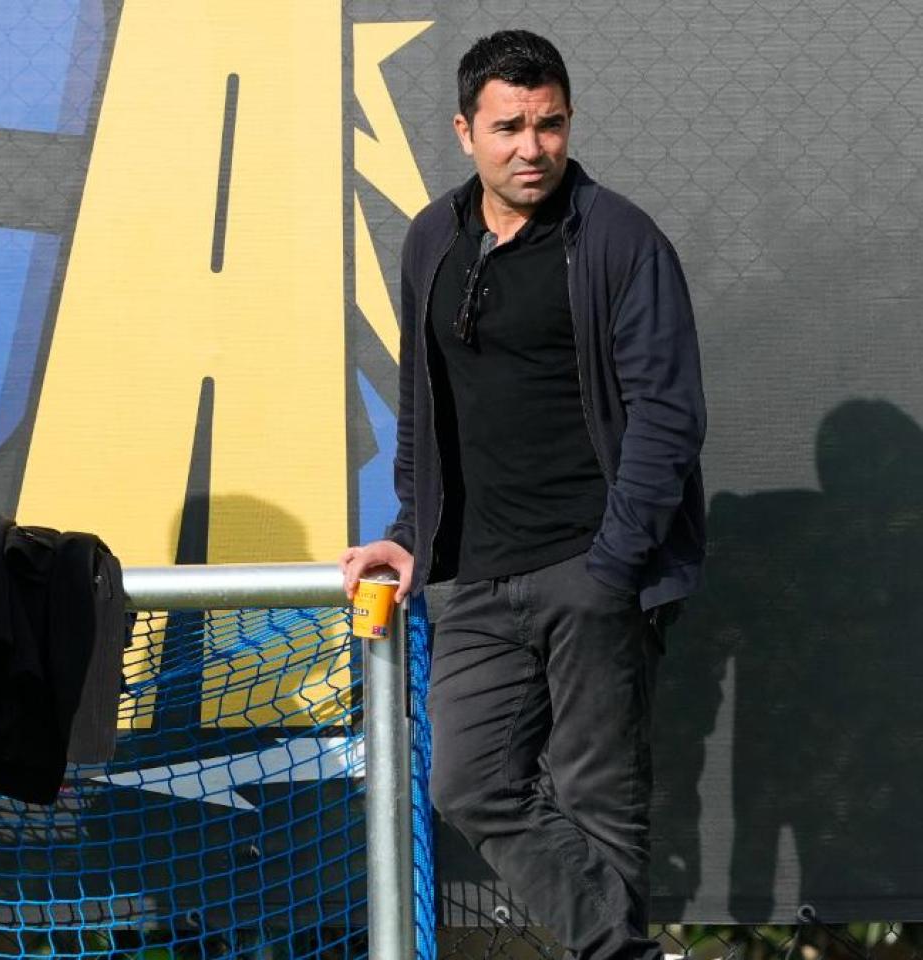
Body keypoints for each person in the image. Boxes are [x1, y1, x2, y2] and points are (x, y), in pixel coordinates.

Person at [340, 30, 705, 960]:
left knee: (598, 801)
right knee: (466, 784)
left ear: (569, 121)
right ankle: (626, 954)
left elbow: (668, 413)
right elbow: (423, 403)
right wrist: (410, 531)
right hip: (469, 579)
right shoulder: (433, 237)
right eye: (508, 128)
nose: (531, 148)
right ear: (465, 130)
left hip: (591, 570)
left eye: (548, 124)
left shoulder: (619, 239)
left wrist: (612, 565)